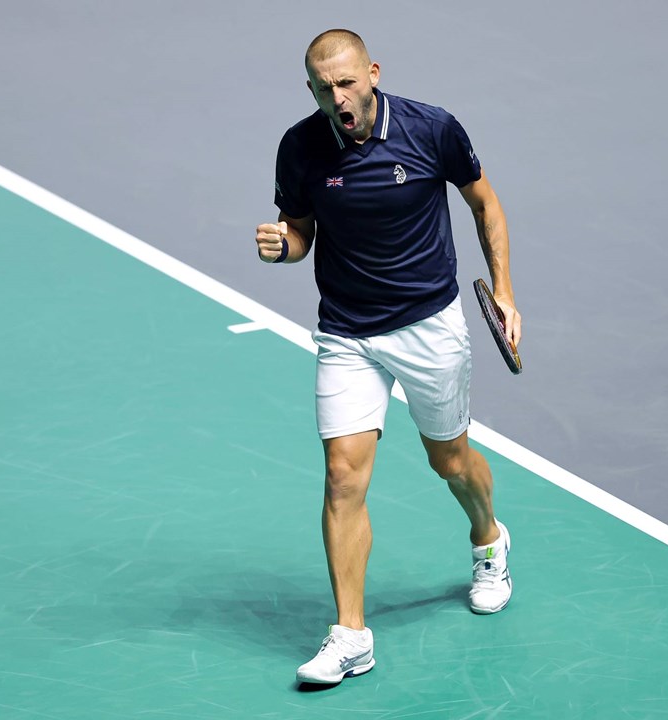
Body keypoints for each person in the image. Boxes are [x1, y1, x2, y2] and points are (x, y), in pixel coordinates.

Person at [254, 28, 522, 686]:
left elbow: (483, 201)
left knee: (449, 459)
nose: (338, 97)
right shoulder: (302, 148)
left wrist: (507, 294)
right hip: (347, 331)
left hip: (429, 325)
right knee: (343, 477)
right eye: (324, 88)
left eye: (347, 82)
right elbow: (301, 236)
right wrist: (282, 247)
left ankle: (488, 538)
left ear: (372, 72)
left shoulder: (432, 130)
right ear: (311, 89)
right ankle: (351, 636)